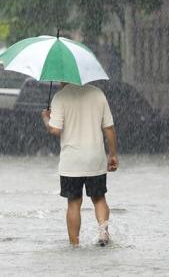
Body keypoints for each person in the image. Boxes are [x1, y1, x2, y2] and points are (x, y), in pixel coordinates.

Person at [41, 82, 118, 247]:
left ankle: (75, 245)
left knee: (74, 203)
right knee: (99, 198)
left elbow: (55, 130)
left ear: (63, 78)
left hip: (72, 161)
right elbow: (109, 128)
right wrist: (112, 154)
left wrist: (46, 118)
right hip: (95, 157)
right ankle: (103, 233)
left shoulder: (60, 97)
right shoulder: (98, 94)